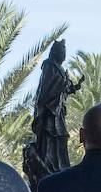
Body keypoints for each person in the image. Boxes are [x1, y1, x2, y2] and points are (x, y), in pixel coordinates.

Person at [28, 39, 82, 175]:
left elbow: (65, 88)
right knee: (49, 138)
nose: (63, 54)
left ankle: (61, 167)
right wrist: (62, 83)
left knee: (61, 137)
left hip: (58, 112)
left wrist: (74, 86)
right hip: (49, 112)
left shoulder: (60, 69)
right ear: (55, 52)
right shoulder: (49, 66)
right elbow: (46, 89)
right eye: (61, 51)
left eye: (64, 51)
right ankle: (49, 167)